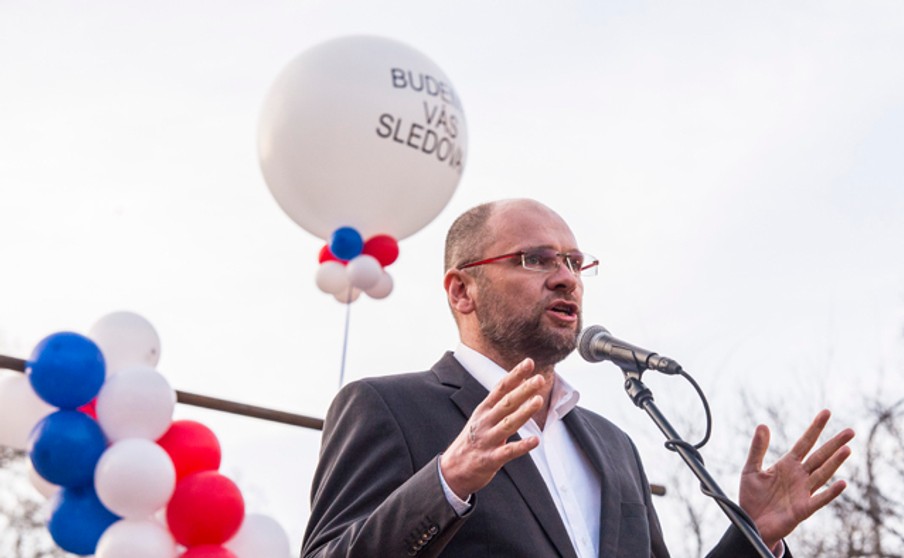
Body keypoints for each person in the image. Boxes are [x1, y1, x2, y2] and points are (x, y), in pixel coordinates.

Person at [301, 198, 854, 558]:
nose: (566, 278)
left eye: (573, 261)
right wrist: (447, 481)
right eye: (535, 260)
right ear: (461, 291)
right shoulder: (387, 407)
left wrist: (753, 532)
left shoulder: (614, 447)